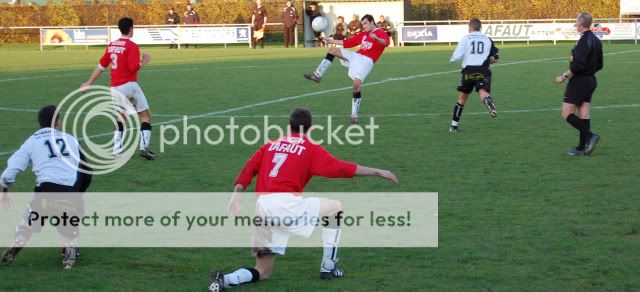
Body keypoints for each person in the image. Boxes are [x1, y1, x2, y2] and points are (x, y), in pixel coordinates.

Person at [207, 108, 398, 291]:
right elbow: (340, 168)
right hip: (286, 206)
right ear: (310, 128)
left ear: (288, 126)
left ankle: (226, 279)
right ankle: (328, 266)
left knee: (262, 271)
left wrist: (235, 198)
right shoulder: (309, 148)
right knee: (335, 208)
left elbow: (247, 171)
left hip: (263, 208)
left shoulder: (269, 146)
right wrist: (377, 171)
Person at [1, 105, 92, 269]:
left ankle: (19, 240)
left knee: (30, 219)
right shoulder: (70, 139)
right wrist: (79, 193)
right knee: (68, 223)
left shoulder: (32, 141)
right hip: (70, 191)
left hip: (45, 191)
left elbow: (10, 171)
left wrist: (4, 191)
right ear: (57, 122)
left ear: (40, 123)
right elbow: (87, 170)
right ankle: (69, 249)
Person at [80, 17, 155, 160]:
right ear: (131, 29)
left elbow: (101, 66)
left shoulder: (112, 45)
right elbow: (133, 68)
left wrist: (89, 82)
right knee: (145, 117)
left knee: (121, 117)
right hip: (130, 86)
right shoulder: (132, 46)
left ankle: (116, 149)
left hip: (115, 88)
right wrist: (143, 61)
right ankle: (143, 148)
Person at [303, 14, 390, 124]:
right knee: (332, 51)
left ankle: (354, 115)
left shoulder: (380, 32)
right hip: (356, 57)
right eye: (362, 24)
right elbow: (349, 43)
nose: (363, 26)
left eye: (365, 23)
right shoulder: (364, 34)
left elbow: (386, 43)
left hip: (367, 61)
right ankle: (317, 75)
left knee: (356, 85)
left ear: (372, 22)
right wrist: (331, 41)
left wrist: (376, 38)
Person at [554, 12, 603, 156]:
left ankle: (590, 136)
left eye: (576, 22)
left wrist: (564, 76)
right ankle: (582, 148)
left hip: (579, 81)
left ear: (580, 25)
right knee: (583, 114)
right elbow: (600, 64)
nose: (576, 24)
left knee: (566, 113)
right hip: (591, 80)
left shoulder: (583, 41)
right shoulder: (596, 40)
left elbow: (578, 65)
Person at [448, 18, 499, 132]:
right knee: (483, 92)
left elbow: (457, 54)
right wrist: (490, 60)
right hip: (483, 70)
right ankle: (487, 100)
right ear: (480, 28)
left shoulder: (466, 38)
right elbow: (496, 58)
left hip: (468, 71)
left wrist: (452, 59)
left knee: (462, 98)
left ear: (470, 27)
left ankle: (454, 126)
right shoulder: (487, 39)